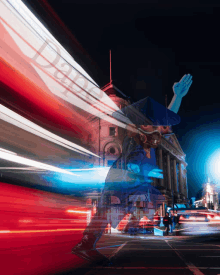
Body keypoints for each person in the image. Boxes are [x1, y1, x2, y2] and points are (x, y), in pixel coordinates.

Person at [72, 74, 193, 262]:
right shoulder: (134, 137)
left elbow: (165, 121)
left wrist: (177, 96)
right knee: (111, 208)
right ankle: (88, 243)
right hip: (121, 177)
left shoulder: (148, 136)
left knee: (140, 199)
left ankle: (97, 239)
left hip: (130, 179)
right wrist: (141, 171)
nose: (158, 127)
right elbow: (131, 160)